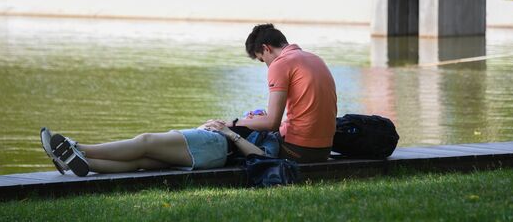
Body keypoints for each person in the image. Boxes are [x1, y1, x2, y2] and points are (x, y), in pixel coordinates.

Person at [217, 24, 338, 163]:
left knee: (240, 134)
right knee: (255, 126)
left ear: (266, 48)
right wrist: (258, 120)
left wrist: (234, 123)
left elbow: (272, 123)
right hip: (324, 149)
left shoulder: (280, 64)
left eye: (263, 60)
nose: (267, 65)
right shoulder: (315, 58)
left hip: (300, 151)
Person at [40, 112, 278, 177]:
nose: (257, 114)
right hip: (210, 150)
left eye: (260, 113)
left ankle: (77, 148)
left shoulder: (270, 134)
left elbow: (263, 157)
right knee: (140, 162)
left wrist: (227, 131)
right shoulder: (258, 126)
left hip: (214, 145)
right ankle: (79, 163)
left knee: (145, 141)